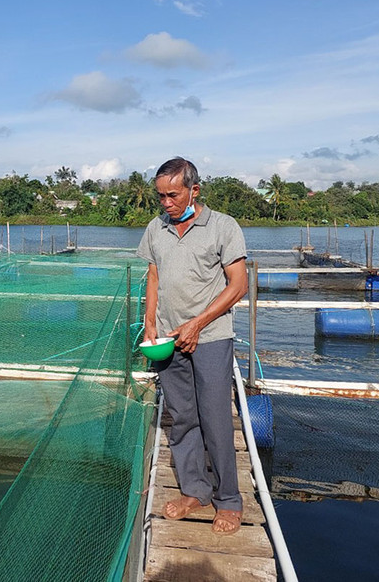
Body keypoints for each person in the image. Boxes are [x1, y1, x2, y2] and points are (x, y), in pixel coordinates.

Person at [136, 157, 248, 535]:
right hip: (168, 340)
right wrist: (151, 325)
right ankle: (195, 491)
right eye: (160, 196)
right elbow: (153, 276)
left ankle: (229, 500)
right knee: (183, 418)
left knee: (216, 418)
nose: (166, 203)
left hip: (211, 338)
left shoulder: (222, 227)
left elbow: (238, 285)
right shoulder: (156, 228)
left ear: (194, 190)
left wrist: (198, 323)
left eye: (173, 195)